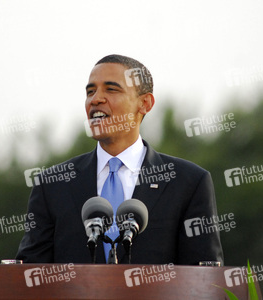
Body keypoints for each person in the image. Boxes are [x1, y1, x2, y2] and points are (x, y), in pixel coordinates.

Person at [16, 54, 223, 265]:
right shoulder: (52, 185)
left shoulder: (188, 182)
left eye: (111, 89)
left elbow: (205, 277)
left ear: (145, 104)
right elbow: (29, 274)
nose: (95, 99)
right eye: (90, 91)